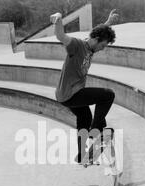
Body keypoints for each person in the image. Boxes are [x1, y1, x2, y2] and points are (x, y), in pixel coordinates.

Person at [50, 9, 119, 163]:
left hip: (66, 95)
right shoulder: (76, 45)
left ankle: (82, 154)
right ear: (96, 40)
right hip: (71, 94)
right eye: (103, 45)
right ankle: (95, 132)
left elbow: (97, 33)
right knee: (108, 95)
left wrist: (108, 23)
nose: (103, 49)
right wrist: (58, 19)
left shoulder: (90, 46)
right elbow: (60, 36)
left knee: (85, 116)